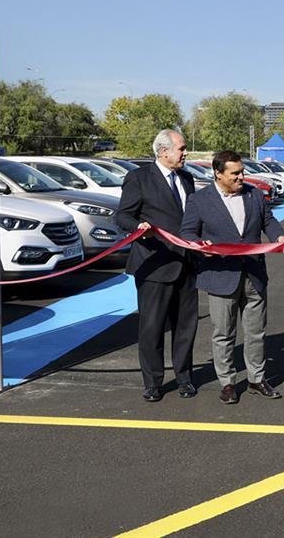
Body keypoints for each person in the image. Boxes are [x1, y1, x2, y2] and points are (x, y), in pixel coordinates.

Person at [180, 150, 284, 405]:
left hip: (254, 275)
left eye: (242, 171)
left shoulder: (254, 194)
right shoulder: (199, 200)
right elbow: (187, 232)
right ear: (218, 174)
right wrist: (200, 245)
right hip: (220, 276)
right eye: (235, 173)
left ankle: (256, 379)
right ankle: (228, 383)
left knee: (256, 332)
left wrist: (279, 236)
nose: (242, 176)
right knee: (223, 334)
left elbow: (269, 221)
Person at [116, 129, 199, 402]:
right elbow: (123, 216)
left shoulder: (186, 178)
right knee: (152, 328)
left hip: (186, 264)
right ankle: (152, 382)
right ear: (164, 152)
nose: (185, 153)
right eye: (182, 148)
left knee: (186, 327)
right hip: (154, 264)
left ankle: (185, 378)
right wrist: (139, 227)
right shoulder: (139, 178)